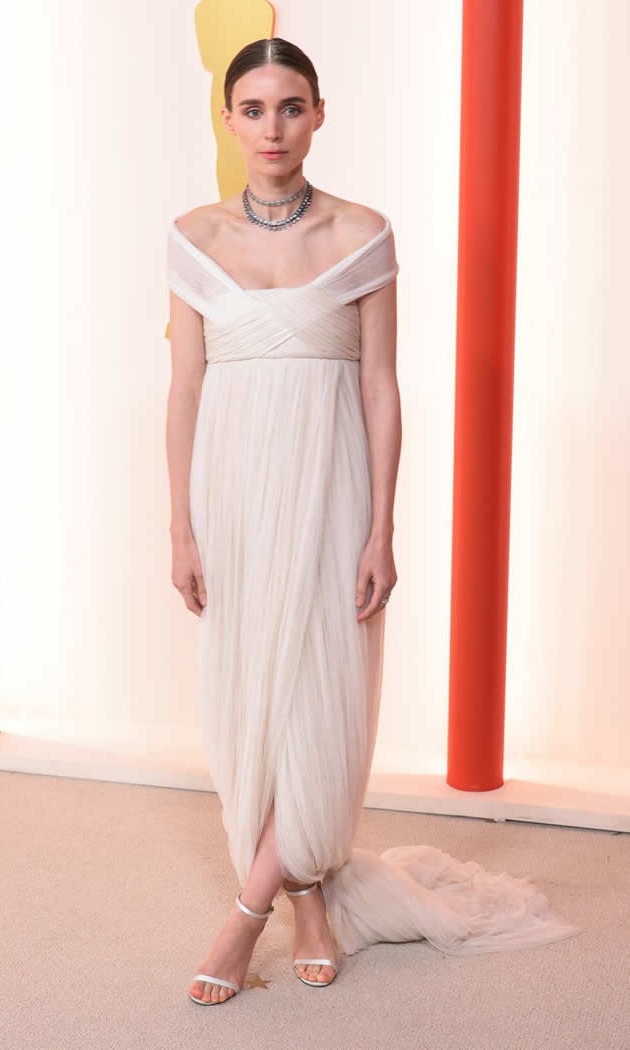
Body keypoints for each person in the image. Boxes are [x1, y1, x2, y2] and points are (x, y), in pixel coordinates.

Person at [166, 37, 581, 1008]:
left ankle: (247, 913)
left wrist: (380, 528)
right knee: (254, 698)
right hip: (232, 491)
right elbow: (184, 387)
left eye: (292, 107)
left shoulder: (363, 233)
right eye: (254, 109)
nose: (273, 128)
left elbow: (381, 386)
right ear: (229, 120)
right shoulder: (192, 237)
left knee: (321, 694)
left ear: (319, 114)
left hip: (332, 487)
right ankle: (310, 899)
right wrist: (180, 528)